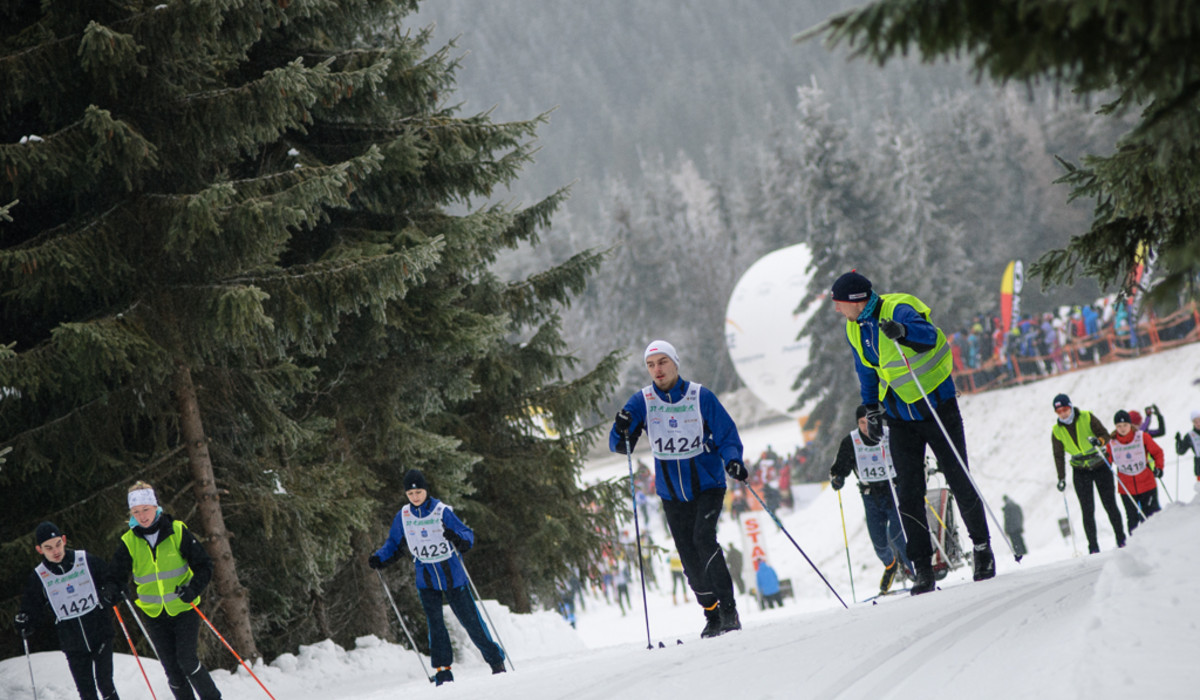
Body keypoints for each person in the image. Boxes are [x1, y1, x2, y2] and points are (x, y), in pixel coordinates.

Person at [829, 271, 993, 596]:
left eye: (838, 303)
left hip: (936, 406)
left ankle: (982, 548)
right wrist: (871, 408)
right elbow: (865, 370)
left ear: (855, 301)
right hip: (900, 414)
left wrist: (902, 332)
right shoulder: (853, 327)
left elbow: (929, 337)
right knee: (907, 493)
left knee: (958, 478)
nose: (836, 309)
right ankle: (922, 567)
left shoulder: (898, 308)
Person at [610, 339, 745, 638]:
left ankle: (729, 609)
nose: (657, 369)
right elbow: (620, 445)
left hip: (707, 484)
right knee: (688, 557)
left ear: (675, 363)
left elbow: (726, 434)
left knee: (703, 539)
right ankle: (711, 614)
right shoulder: (643, 400)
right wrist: (621, 428)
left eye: (662, 362)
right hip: (671, 492)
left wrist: (733, 460)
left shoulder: (700, 396)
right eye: (650, 365)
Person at [368, 469, 505, 686]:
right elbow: (393, 543)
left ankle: (496, 661)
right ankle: (443, 671)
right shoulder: (403, 516)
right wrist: (379, 558)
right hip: (426, 579)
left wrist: (456, 537)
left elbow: (467, 534)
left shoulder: (441, 511)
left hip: (453, 576)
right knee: (435, 625)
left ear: (426, 490)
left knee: (471, 622)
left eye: (419, 492)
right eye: (410, 494)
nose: (415, 497)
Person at [104, 482, 222, 700]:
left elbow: (204, 565)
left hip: (183, 607)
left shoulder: (176, 531)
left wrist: (192, 588)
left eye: (145, 509)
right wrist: (112, 589)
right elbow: (115, 575)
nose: (142, 516)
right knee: (172, 670)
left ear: (155, 507)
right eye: (136, 512)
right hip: (154, 614)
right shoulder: (129, 541)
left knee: (187, 661)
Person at [17, 522, 120, 700]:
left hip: (100, 633)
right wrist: (25, 620)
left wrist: (111, 591)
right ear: (39, 550)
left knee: (105, 683)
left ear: (64, 540)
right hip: (73, 643)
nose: (55, 551)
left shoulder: (84, 559)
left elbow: (110, 578)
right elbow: (31, 605)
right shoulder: (40, 576)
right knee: (87, 692)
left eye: (58, 544)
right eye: (48, 548)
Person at [829, 406, 912, 594]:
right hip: (871, 496)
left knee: (899, 535)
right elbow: (840, 467)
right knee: (879, 543)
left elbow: (907, 454)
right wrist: (838, 478)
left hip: (894, 491)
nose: (866, 427)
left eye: (870, 422)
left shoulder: (889, 434)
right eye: (862, 423)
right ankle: (891, 565)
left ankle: (916, 571)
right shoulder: (851, 441)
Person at [1051, 395, 1126, 553]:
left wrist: (1099, 441)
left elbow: (1105, 435)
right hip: (1080, 470)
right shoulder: (1057, 430)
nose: (1063, 414)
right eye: (1059, 411)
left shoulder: (1086, 417)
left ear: (1070, 407)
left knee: (1109, 504)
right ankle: (1093, 547)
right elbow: (1058, 455)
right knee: (1087, 509)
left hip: (1099, 465)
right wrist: (1061, 477)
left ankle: (1121, 539)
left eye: (1065, 409)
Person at [1106, 410, 1165, 533]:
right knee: (1132, 519)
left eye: (1125, 425)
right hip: (1126, 488)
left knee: (1152, 515)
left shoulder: (1142, 436)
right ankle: (1135, 543)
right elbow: (1107, 461)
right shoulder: (1112, 443)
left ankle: (1158, 539)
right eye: (1119, 426)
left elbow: (1157, 452)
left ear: (1130, 424)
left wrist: (1159, 468)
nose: (1122, 429)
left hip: (1147, 483)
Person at [1175, 410, 1200, 489]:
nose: (1198, 424)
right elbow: (1181, 451)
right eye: (1195, 422)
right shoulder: (1190, 436)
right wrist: (1178, 441)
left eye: (1199, 421)